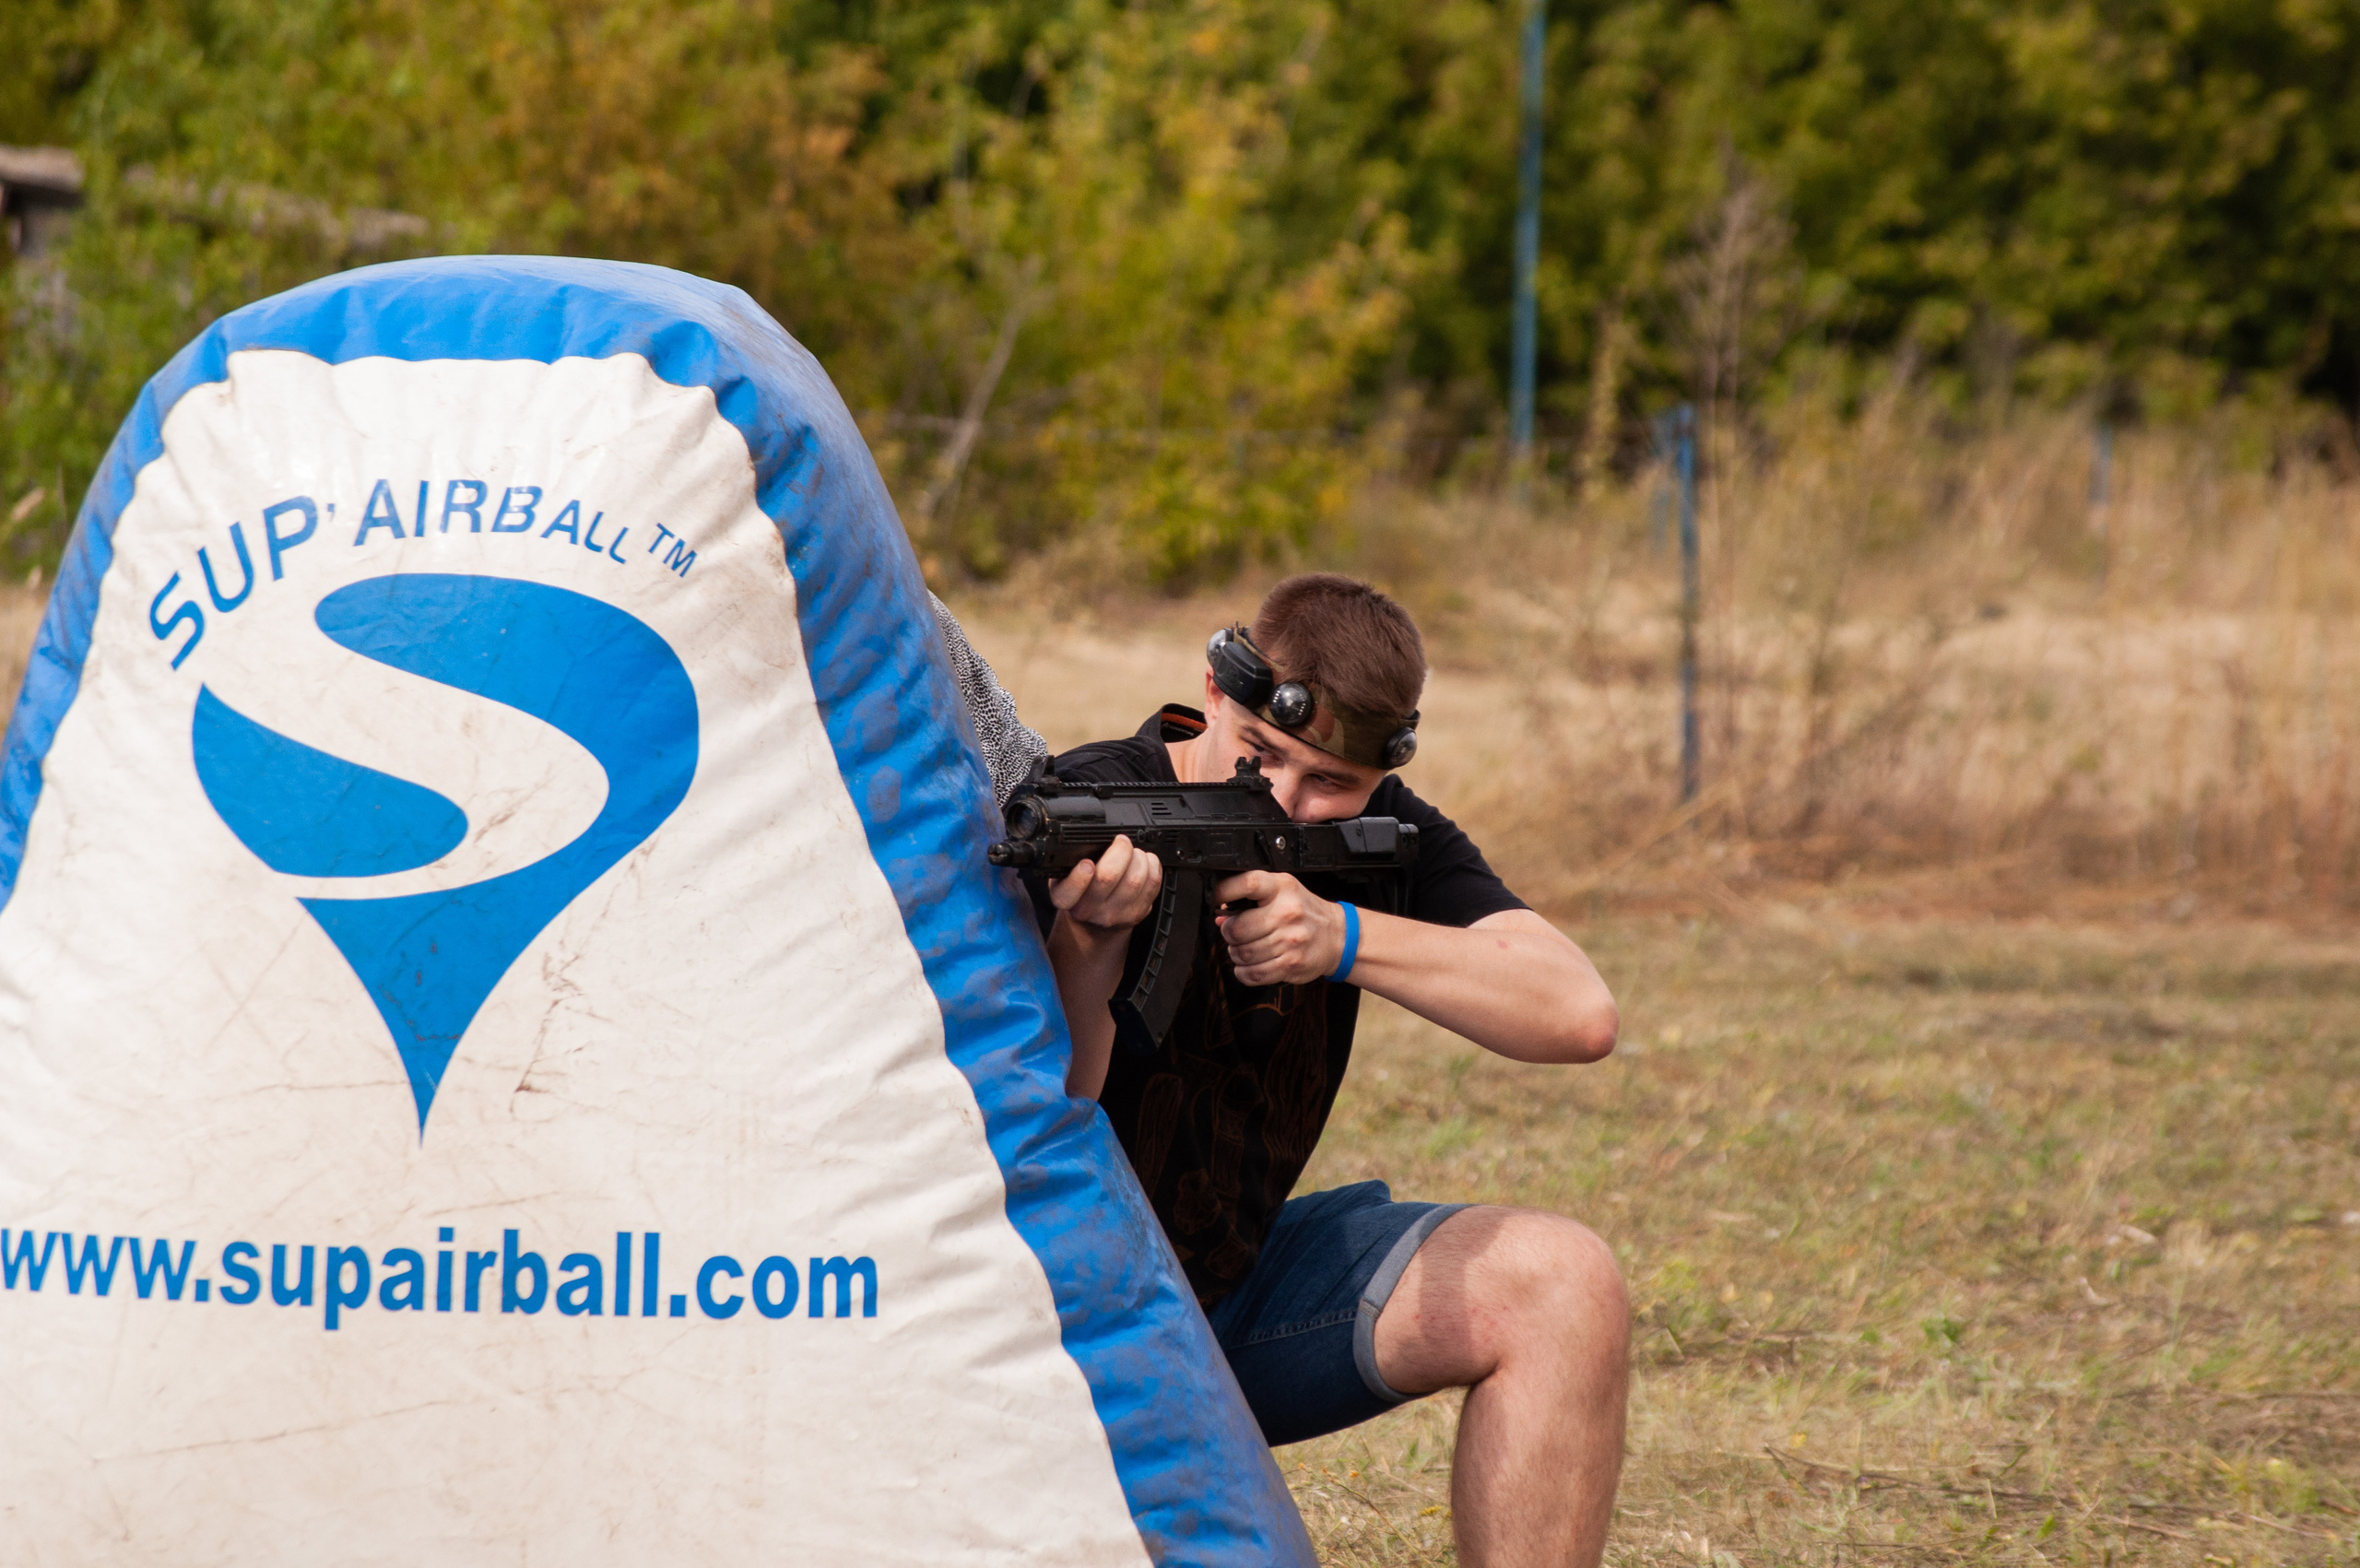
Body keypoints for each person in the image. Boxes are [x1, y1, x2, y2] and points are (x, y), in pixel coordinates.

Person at [1027, 573, 1628, 1568]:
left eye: (1329, 785)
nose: (1288, 803)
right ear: (1215, 695)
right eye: (1260, 757)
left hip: (1237, 1300)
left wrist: (1342, 935)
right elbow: (1045, 1113)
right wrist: (1087, 946)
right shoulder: (1099, 798)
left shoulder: (1386, 836)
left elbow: (1579, 1012)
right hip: (1067, 1322)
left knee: (1566, 1286)